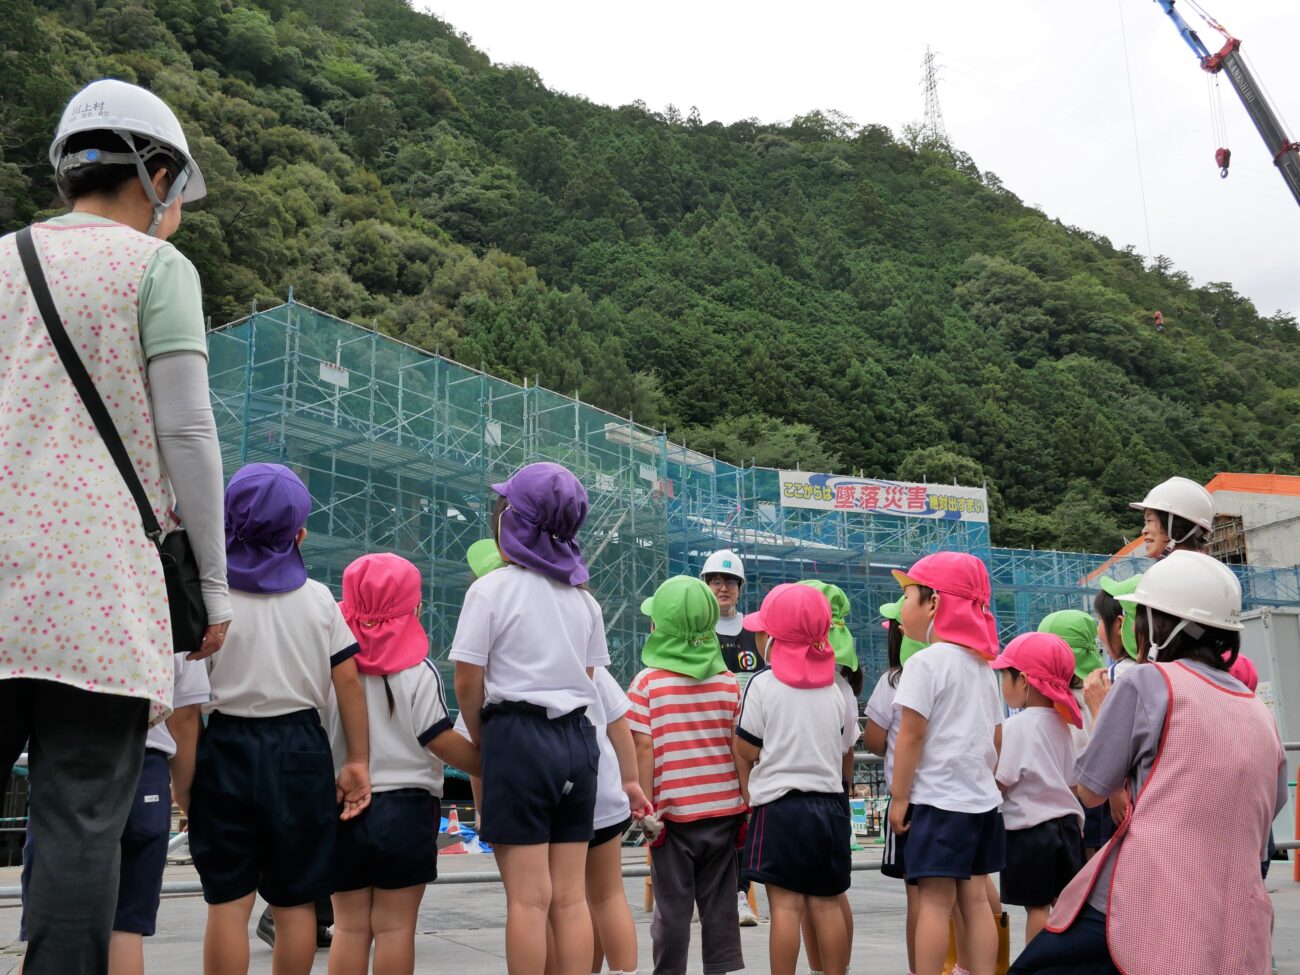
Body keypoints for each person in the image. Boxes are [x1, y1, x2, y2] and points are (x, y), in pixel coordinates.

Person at [0, 77, 231, 974]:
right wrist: (211, 586)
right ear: (157, 169)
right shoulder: (157, 269)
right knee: (77, 827)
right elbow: (186, 434)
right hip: (96, 601)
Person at [1009, 551, 1287, 974]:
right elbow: (1273, 804)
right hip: (1234, 919)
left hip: (1147, 899)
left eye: (1141, 614)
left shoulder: (1148, 681)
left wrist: (1100, 710)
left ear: (1162, 624)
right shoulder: (1257, 710)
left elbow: (1091, 789)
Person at [189, 463, 372, 975]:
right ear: (300, 533)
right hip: (300, 748)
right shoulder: (318, 600)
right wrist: (357, 759)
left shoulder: (210, 596)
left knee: (227, 902)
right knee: (295, 903)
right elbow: (349, 684)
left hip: (225, 741)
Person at [451, 462, 608, 975]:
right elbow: (585, 677)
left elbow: (468, 681)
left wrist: (484, 739)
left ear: (513, 522)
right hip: (576, 743)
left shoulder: (491, 590)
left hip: (517, 737)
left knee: (527, 900)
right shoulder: (584, 602)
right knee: (569, 897)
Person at [325, 553, 481, 975]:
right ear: (413, 608)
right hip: (407, 811)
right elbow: (438, 739)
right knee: (395, 929)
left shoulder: (332, 667)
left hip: (343, 805)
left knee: (349, 928)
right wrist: (488, 765)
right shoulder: (417, 670)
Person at [15, 651, 209, 975]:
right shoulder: (174, 612)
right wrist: (184, 787)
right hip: (148, 767)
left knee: (52, 923)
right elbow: (186, 716)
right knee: (126, 927)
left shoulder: (59, 608)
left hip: (69, 764)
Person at [887, 552, 1005, 975]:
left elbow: (911, 736)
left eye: (907, 596)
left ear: (934, 603)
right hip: (980, 803)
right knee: (974, 900)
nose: (903, 607)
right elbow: (996, 737)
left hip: (936, 803)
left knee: (935, 902)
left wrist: (899, 798)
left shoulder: (923, 663)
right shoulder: (983, 668)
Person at [733, 584, 856, 975]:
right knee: (827, 902)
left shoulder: (763, 685)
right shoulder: (835, 690)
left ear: (773, 639)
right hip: (829, 807)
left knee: (785, 908)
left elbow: (746, 749)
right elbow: (839, 747)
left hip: (780, 809)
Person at [627, 575, 747, 975]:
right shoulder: (728, 682)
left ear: (658, 627)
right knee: (720, 907)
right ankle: (721, 967)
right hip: (723, 812)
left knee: (672, 908)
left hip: (671, 819)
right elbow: (738, 749)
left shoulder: (647, 683)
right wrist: (745, 804)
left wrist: (645, 808)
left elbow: (643, 747)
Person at [989, 634, 1085, 945]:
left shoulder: (1017, 726)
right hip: (1068, 827)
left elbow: (1001, 780)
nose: (1003, 684)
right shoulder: (1063, 724)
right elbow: (1072, 783)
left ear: (1025, 681)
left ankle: (1035, 967)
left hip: (1030, 832)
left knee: (1037, 908)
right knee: (1065, 907)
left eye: (1006, 675)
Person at [794, 580, 862, 975]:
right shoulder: (843, 687)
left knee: (802, 899)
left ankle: (821, 968)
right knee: (833, 895)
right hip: (833, 794)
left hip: (794, 796)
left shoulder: (782, 682)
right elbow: (847, 753)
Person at [700, 548, 764, 927]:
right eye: (715, 581)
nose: (722, 588)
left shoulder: (755, 629)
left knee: (745, 819)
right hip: (708, 736)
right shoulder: (698, 629)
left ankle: (740, 895)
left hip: (746, 738)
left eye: (729, 582)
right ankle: (706, 893)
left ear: (740, 588)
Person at [865, 598, 927, 972]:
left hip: (908, 799)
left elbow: (873, 739)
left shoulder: (893, 681)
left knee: (918, 897)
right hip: (955, 798)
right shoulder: (959, 669)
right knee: (964, 895)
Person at [1128, 476, 1214, 560]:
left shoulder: (1179, 571)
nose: (1144, 531)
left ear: (1176, 526)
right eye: (1145, 523)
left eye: (1149, 520)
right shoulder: (1206, 567)